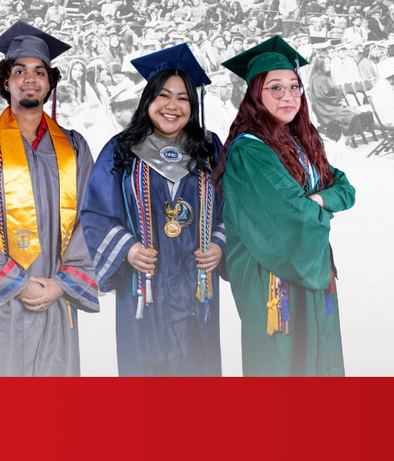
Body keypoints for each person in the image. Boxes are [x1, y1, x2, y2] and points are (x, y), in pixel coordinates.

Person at [0, 21, 99, 376]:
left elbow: (92, 216)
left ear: (51, 82)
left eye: (39, 71)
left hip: (56, 297)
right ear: (6, 82)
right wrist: (17, 284)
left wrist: (61, 284)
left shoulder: (75, 147)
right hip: (1, 302)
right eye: (20, 71)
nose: (30, 78)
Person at [81, 44, 226, 376]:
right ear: (148, 100)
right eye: (163, 95)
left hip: (197, 287)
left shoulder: (209, 149)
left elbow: (232, 208)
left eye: (183, 97)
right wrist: (127, 248)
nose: (172, 105)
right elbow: (95, 213)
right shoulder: (121, 152)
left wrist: (220, 243)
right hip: (145, 291)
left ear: (193, 104)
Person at [216, 36, 355, 376]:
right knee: (282, 365)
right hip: (272, 277)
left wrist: (318, 199)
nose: (288, 96)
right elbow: (292, 217)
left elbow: (345, 188)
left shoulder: (299, 141)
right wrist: (315, 204)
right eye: (275, 88)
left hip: (308, 263)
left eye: (294, 87)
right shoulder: (249, 150)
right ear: (255, 96)